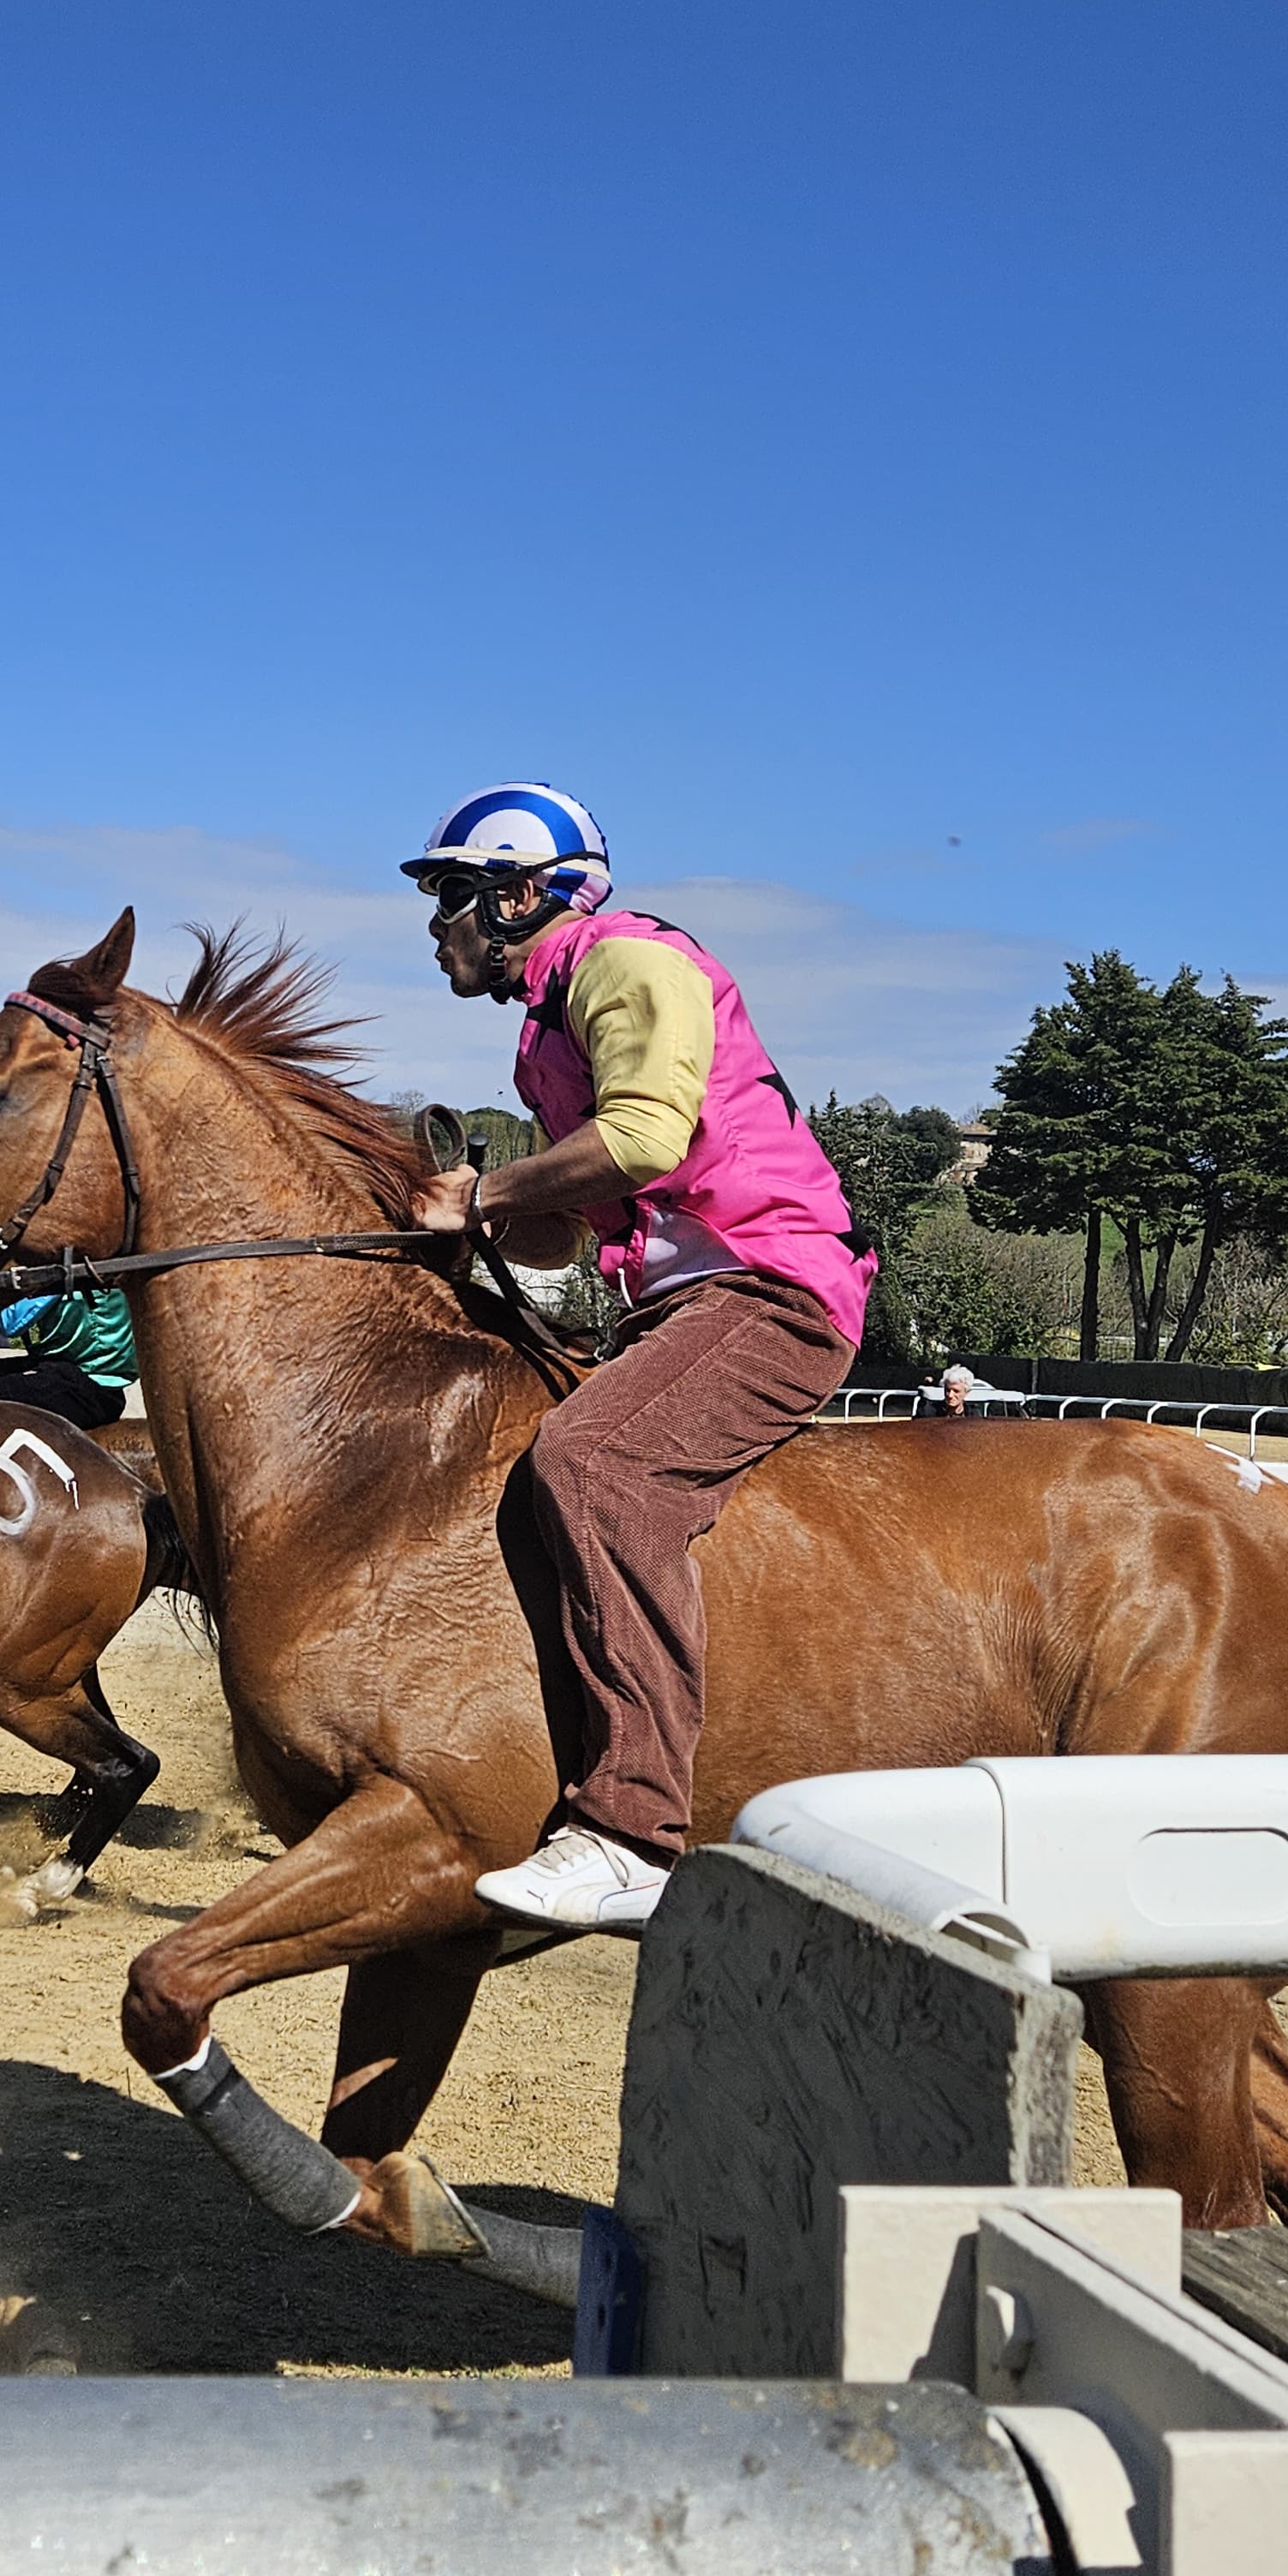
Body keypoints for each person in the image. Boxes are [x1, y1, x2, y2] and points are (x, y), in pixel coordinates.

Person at [403, 785, 871, 1933]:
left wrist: (488, 1191)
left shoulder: (625, 965)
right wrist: (486, 1220)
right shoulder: (542, 1036)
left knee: (595, 1465)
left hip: (773, 1287)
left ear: (522, 896)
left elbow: (650, 1138)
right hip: (675, 1305)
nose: (435, 926)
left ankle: (630, 1833)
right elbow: (577, 1222)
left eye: (452, 895)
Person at [0, 1287, 136, 1431]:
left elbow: (9, 1321)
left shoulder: (67, 1268)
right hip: (79, 1373)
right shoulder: (92, 1267)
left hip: (84, 1386)